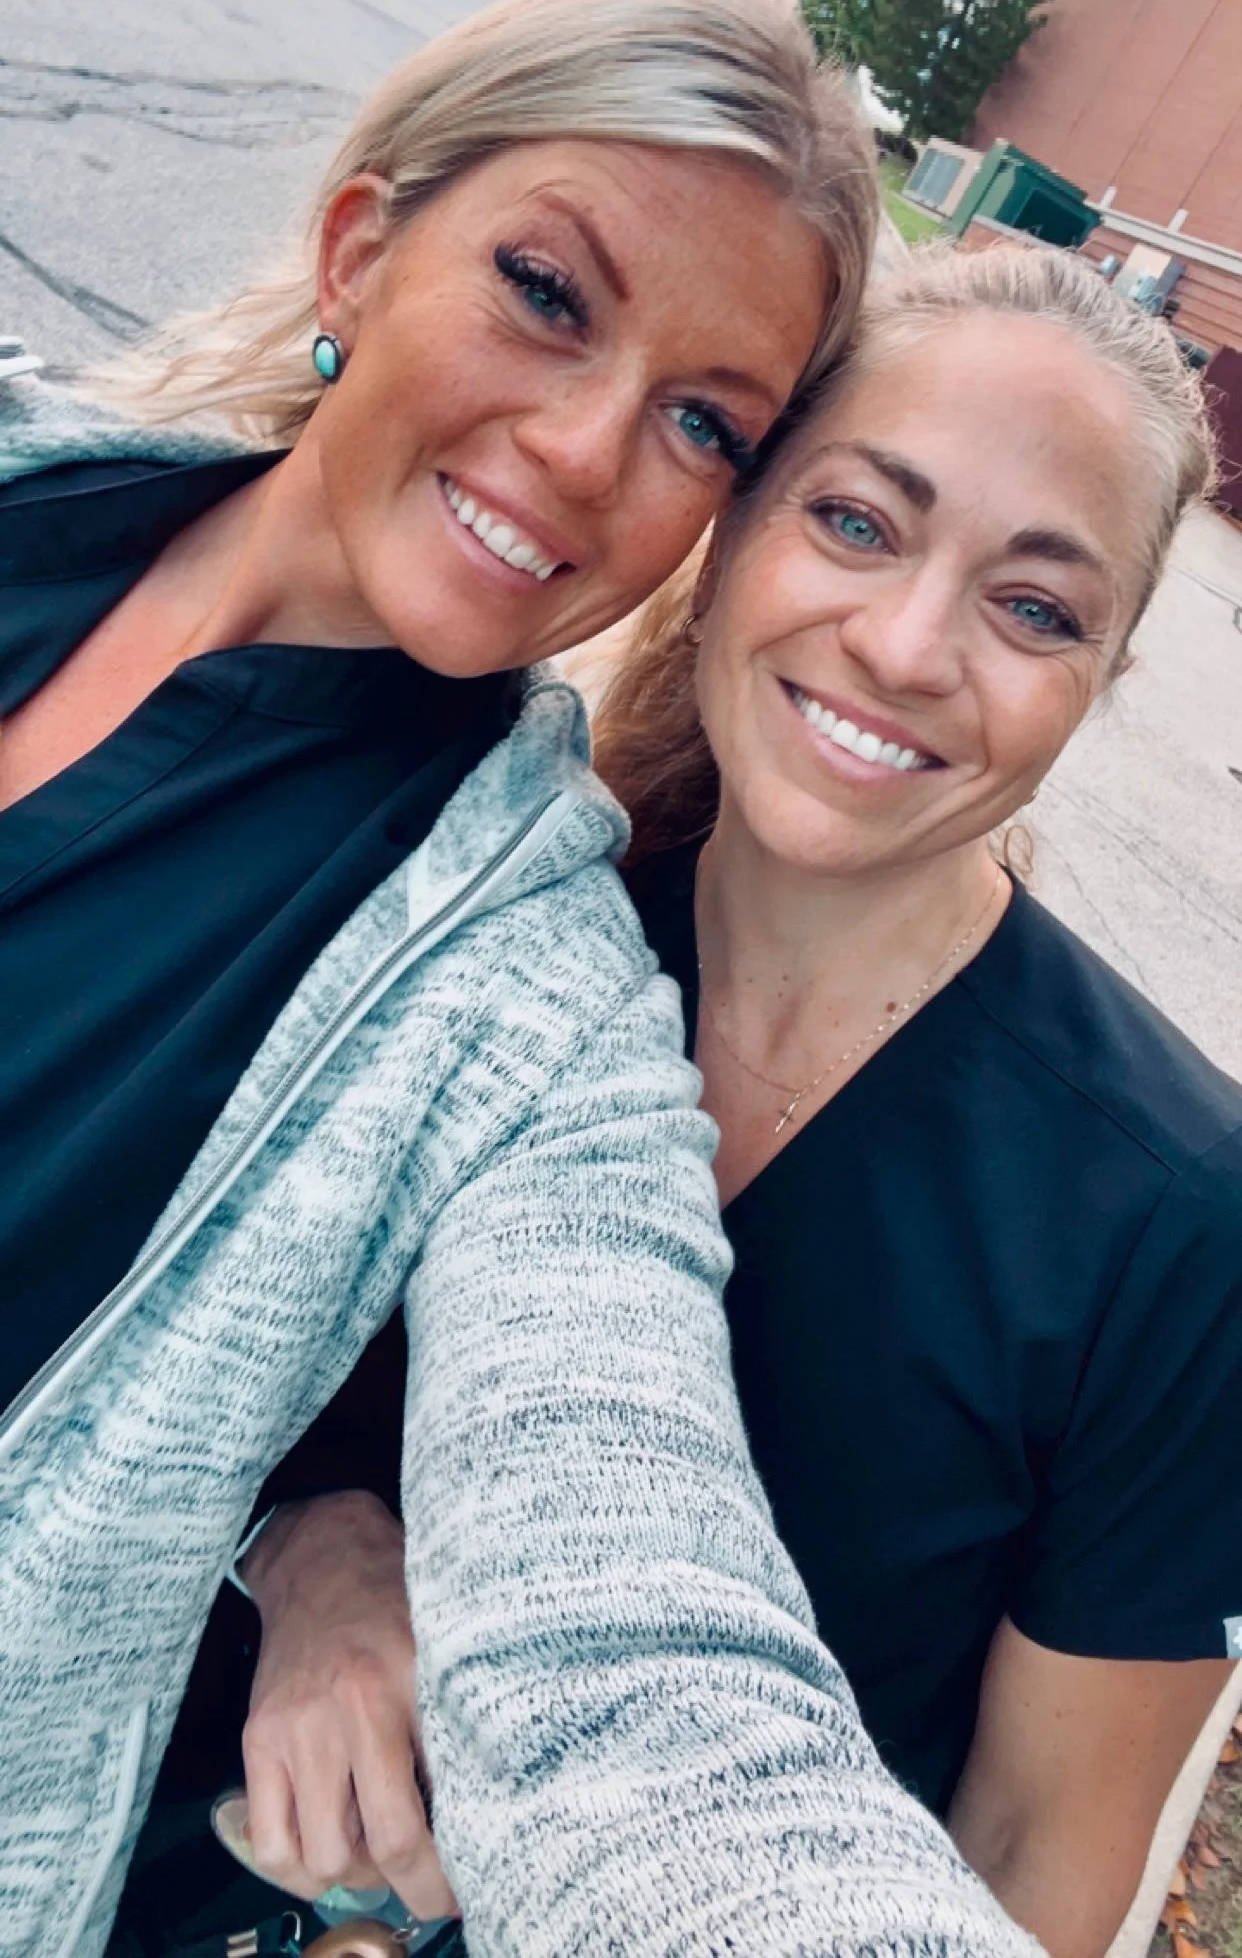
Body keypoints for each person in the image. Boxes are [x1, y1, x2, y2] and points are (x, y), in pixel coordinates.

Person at [0, 0, 1039, 1958]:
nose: (581, 452)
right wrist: (305, 1537)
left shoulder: (527, 1007)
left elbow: (638, 1644)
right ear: (360, 246)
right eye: (550, 294)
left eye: (701, 425)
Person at [256, 243, 1242, 1958]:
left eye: (1033, 606)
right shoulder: (474, 921)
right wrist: (308, 1541)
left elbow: (1037, 1854)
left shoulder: (1178, 1223)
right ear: (728, 537)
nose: (908, 643)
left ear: (1100, 683)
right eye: (855, 522)